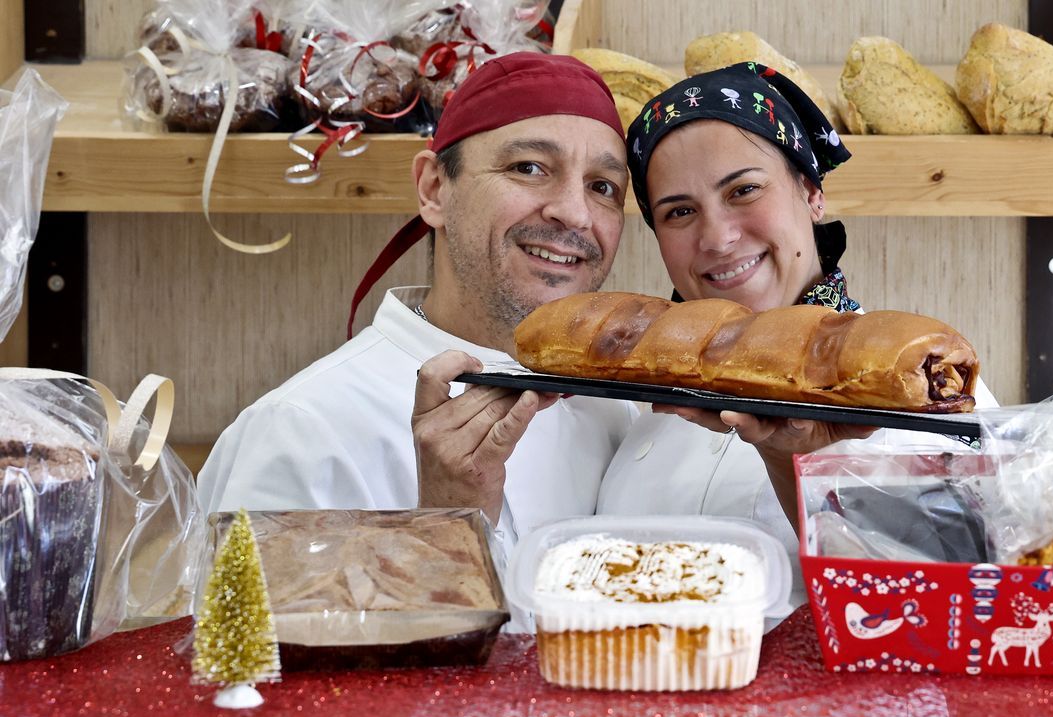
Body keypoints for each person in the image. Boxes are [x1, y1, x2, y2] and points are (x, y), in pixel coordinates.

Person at [197, 54, 638, 572]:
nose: (575, 212)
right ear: (434, 189)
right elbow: (246, 650)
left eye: (602, 186)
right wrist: (442, 525)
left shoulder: (624, 412)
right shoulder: (301, 433)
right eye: (529, 168)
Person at [592, 62, 998, 605]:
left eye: (743, 191)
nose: (717, 237)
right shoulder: (645, 414)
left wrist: (789, 460)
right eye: (680, 211)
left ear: (810, 192)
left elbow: (943, 606)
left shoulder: (922, 385)